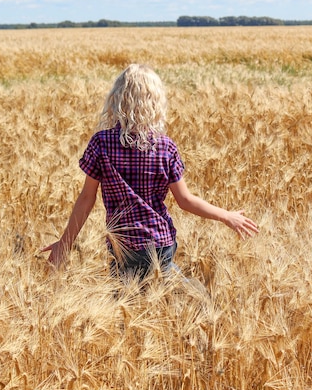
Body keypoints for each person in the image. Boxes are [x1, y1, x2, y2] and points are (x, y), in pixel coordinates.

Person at [42, 64, 259, 280]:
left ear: (117, 100)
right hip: (160, 241)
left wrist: (65, 243)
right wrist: (226, 216)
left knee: (124, 299)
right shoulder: (165, 147)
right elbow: (185, 200)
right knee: (163, 286)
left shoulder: (101, 143)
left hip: (123, 245)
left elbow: (86, 199)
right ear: (155, 104)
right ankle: (190, 296)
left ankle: (182, 291)